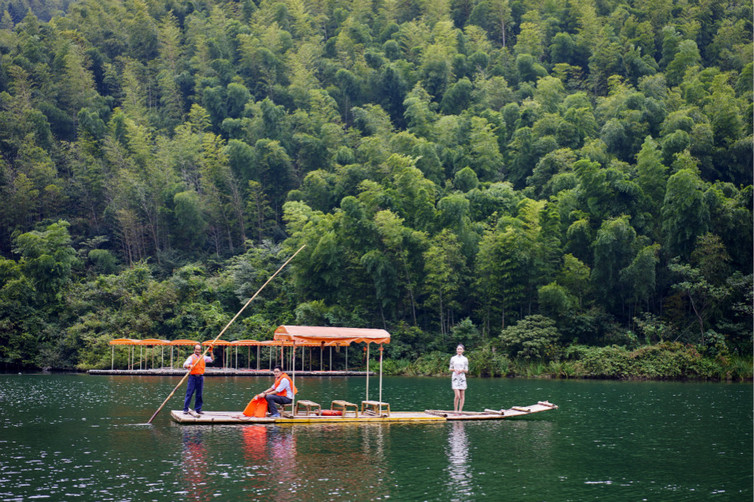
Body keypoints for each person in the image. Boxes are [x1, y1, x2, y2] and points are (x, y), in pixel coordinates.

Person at [183, 344, 213, 415]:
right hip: (192, 377)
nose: (197, 351)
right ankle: (185, 409)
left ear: (200, 350)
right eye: (196, 349)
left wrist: (211, 352)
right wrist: (189, 366)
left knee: (199, 394)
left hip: (200, 377)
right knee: (189, 393)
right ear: (194, 350)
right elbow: (184, 364)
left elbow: (211, 359)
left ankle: (198, 409)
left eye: (199, 350)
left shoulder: (203, 357)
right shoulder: (191, 357)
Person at [449, 344, 469, 413]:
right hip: (455, 377)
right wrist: (455, 370)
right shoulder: (453, 358)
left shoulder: (465, 359)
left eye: (460, 349)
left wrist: (462, 370)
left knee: (462, 396)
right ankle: (455, 410)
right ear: (456, 350)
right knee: (457, 395)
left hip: (462, 378)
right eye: (458, 349)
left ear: (463, 350)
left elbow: (466, 370)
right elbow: (450, 368)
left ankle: (460, 410)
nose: (459, 350)